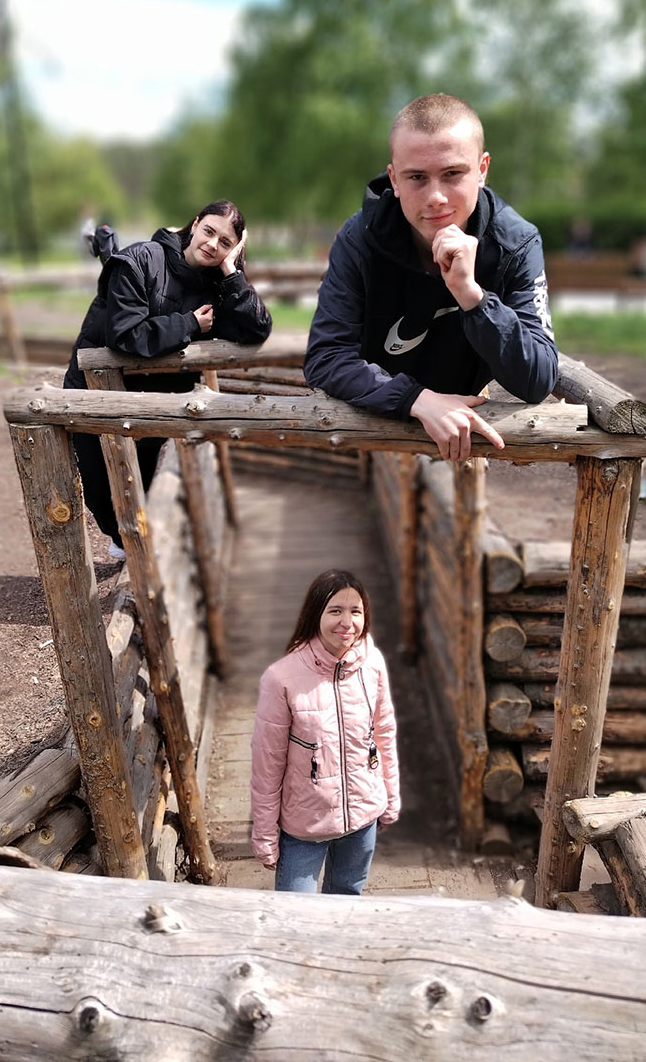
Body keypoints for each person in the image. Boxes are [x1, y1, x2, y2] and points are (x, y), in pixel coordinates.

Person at [304, 93, 559, 463]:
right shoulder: (359, 239)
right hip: (380, 418)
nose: (436, 197)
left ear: (482, 169)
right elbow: (326, 357)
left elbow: (538, 379)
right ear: (394, 179)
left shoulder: (516, 243)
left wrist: (472, 297)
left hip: (465, 427)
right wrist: (417, 399)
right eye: (417, 178)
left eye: (452, 174)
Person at [63, 200, 272, 558]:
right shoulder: (141, 259)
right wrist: (190, 324)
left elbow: (258, 328)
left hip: (155, 400)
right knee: (99, 489)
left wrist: (231, 271)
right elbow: (125, 333)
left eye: (225, 242)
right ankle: (123, 542)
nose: (213, 244)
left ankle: (138, 555)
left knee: (141, 482)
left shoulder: (218, 285)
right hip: (95, 390)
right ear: (195, 224)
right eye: (209, 231)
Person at [250, 569, 399, 895]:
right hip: (305, 826)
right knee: (294, 912)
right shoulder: (281, 678)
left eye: (355, 611)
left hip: (362, 817)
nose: (347, 622)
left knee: (346, 903)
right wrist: (265, 833)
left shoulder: (373, 663)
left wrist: (390, 796)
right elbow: (267, 763)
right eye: (335, 611)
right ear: (315, 613)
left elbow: (384, 732)